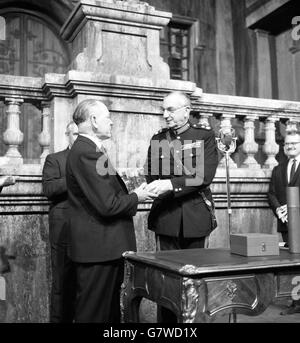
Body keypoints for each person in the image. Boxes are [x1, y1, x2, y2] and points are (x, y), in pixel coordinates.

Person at [66, 99, 156, 323]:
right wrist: (138, 197)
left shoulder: (91, 150)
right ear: (94, 121)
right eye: (108, 117)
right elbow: (107, 206)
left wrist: (134, 192)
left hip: (103, 248)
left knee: (107, 312)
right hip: (98, 249)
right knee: (94, 313)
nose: (112, 122)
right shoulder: (87, 152)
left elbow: (106, 195)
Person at [144, 91, 219, 322]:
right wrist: (159, 185)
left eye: (171, 110)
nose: (165, 115)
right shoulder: (158, 139)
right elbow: (152, 175)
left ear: (186, 111)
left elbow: (203, 177)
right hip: (166, 217)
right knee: (165, 282)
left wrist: (171, 183)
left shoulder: (204, 136)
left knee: (195, 281)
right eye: (163, 110)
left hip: (195, 217)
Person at [42, 121, 78, 323]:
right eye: (74, 134)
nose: (78, 138)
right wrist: (75, 177)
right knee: (61, 282)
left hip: (91, 228)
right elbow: (48, 189)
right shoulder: (54, 159)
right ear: (68, 135)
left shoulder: (97, 159)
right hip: (64, 226)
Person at [268, 130, 300, 315]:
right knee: (293, 262)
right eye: (287, 144)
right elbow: (271, 193)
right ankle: (296, 302)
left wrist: (292, 206)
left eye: (294, 143)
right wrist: (279, 209)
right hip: (286, 222)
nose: (290, 146)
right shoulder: (278, 168)